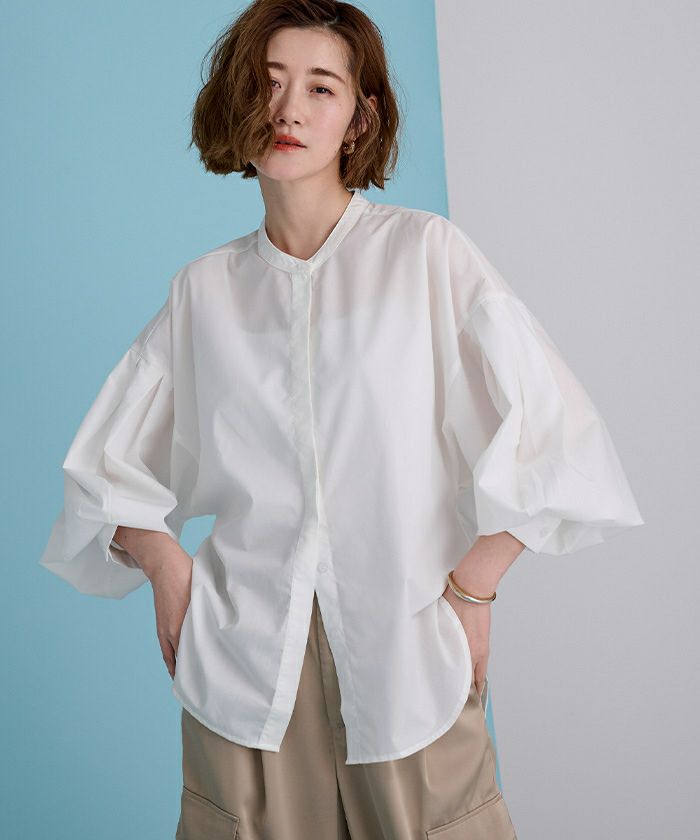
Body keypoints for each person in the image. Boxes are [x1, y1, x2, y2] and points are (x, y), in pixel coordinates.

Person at [39, 1, 645, 838]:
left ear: (361, 118)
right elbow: (101, 472)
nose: (288, 109)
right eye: (268, 82)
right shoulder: (204, 293)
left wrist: (473, 586)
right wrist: (163, 559)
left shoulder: (426, 255)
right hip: (244, 672)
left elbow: (561, 438)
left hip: (405, 661)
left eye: (321, 87)